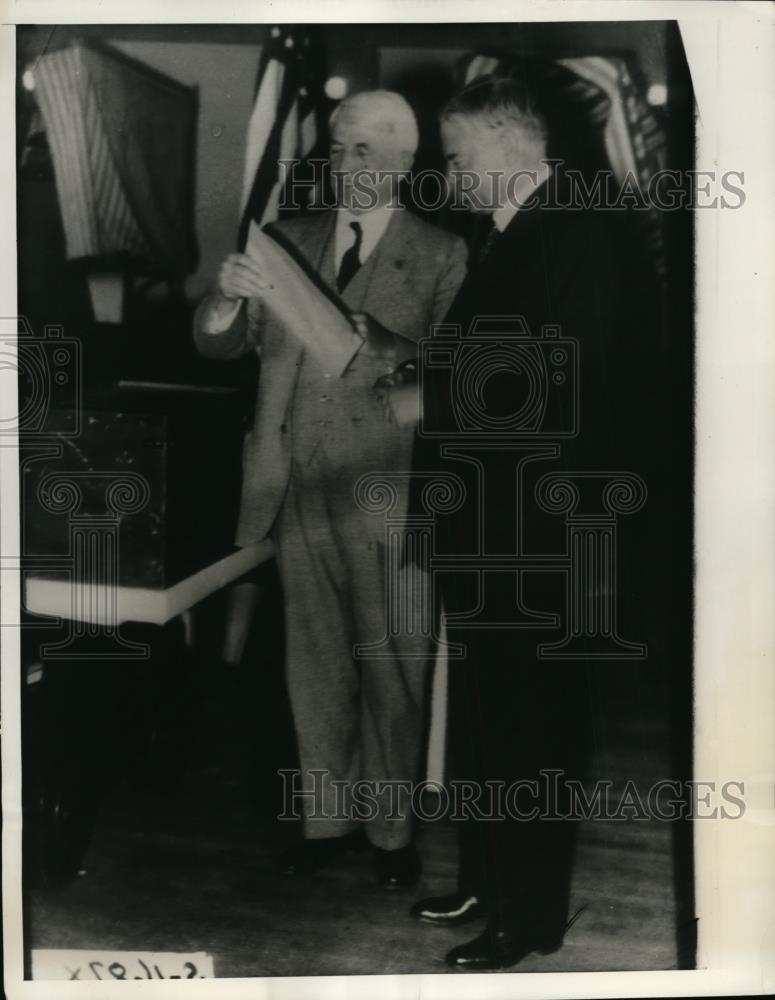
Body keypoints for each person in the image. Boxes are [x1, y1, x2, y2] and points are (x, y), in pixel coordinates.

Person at [378, 75, 658, 967]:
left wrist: (434, 396)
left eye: (457, 157)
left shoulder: (577, 228)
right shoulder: (513, 233)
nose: (449, 176)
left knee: (531, 725)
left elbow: (567, 383)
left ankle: (527, 920)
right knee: (490, 719)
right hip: (494, 526)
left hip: (540, 534)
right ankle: (489, 882)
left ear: (507, 143)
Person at [193, 90, 467, 889]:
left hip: (391, 491)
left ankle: (391, 834)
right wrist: (225, 299)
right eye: (338, 150)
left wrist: (388, 347)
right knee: (312, 664)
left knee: (392, 668)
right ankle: (328, 822)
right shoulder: (286, 238)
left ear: (403, 165)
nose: (344, 167)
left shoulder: (444, 253)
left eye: (363, 153)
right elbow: (215, 347)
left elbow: (458, 375)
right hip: (293, 485)